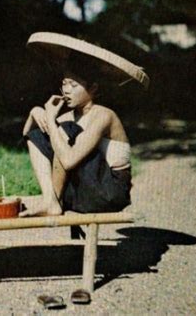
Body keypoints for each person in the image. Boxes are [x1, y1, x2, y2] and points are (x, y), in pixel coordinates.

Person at [20, 62, 132, 217]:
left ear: (93, 89)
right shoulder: (69, 117)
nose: (66, 90)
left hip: (110, 191)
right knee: (47, 134)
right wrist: (34, 113)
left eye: (73, 85)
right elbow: (30, 137)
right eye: (64, 83)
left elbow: (68, 161)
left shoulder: (104, 116)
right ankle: (50, 200)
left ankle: (53, 202)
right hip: (84, 189)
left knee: (64, 130)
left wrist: (51, 121)